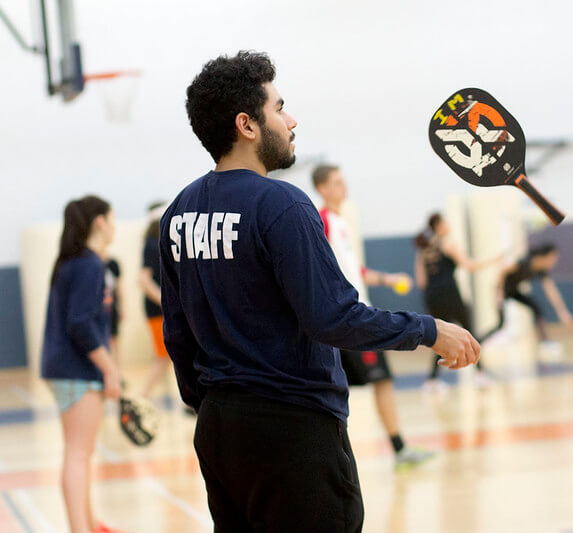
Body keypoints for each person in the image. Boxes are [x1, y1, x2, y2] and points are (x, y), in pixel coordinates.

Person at [162, 51, 478, 532]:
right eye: (279, 107)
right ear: (247, 125)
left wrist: (207, 407)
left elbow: (177, 332)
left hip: (219, 429)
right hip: (292, 430)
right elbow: (333, 317)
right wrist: (429, 330)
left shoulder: (179, 212)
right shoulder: (283, 204)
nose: (292, 120)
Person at [313, 164, 435, 469]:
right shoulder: (323, 221)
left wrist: (386, 279)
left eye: (344, 181)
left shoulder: (341, 222)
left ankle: (397, 448)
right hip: (348, 320)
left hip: (359, 313)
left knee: (379, 383)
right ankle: (338, 457)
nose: (345, 188)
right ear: (322, 188)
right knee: (343, 389)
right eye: (337, 183)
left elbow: (354, 271)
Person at [41, 196, 123, 533]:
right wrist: (110, 369)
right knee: (78, 453)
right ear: (99, 222)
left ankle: (88, 523)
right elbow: (80, 324)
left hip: (67, 368)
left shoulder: (73, 262)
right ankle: (80, 528)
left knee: (81, 452)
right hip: (77, 369)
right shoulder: (89, 265)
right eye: (112, 218)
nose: (115, 225)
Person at [414, 213, 499, 390]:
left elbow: (421, 281)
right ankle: (480, 374)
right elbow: (469, 266)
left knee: (439, 334)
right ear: (438, 225)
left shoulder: (424, 248)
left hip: (432, 297)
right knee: (469, 331)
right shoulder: (448, 243)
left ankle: (432, 380)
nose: (448, 224)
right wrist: (494, 260)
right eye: (445, 221)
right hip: (450, 294)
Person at [482, 243, 573, 358]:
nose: (554, 262)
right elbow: (503, 271)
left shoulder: (541, 271)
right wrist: (499, 292)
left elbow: (551, 291)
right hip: (501, 291)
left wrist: (562, 312)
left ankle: (544, 342)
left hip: (514, 292)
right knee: (500, 324)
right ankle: (478, 341)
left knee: (537, 308)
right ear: (546, 256)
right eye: (553, 258)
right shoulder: (524, 262)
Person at [138, 202, 172, 400]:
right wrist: (164, 300)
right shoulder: (151, 245)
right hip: (157, 311)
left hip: (160, 310)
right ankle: (144, 396)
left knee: (169, 355)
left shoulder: (158, 243)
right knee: (163, 357)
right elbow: (143, 279)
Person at [105, 257, 123, 364]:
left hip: (111, 309)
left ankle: (117, 371)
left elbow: (119, 288)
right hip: (99, 311)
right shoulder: (92, 265)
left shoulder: (113, 264)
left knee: (114, 340)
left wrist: (122, 308)